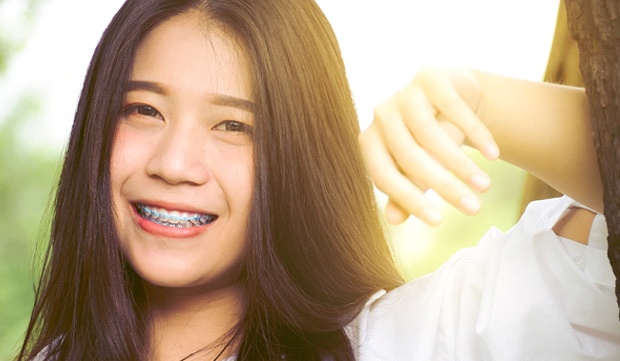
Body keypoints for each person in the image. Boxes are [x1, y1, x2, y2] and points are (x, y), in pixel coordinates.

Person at [16, 1, 619, 361]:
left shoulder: (410, 342)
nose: (174, 164)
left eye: (233, 125)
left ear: (300, 153)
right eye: (144, 111)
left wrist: (484, 103)